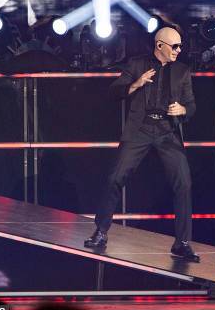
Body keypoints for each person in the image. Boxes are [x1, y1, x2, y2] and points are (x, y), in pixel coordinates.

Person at [84, 26, 199, 262]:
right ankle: (101, 232)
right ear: (160, 46)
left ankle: (183, 242)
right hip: (141, 128)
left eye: (180, 46)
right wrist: (136, 84)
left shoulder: (182, 71)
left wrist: (183, 110)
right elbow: (113, 92)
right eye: (174, 46)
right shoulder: (137, 64)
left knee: (184, 183)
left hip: (167, 130)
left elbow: (191, 105)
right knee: (115, 177)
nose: (179, 50)